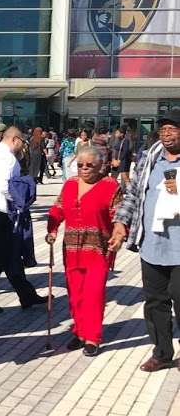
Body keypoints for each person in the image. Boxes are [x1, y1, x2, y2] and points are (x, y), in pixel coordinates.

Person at [109, 110, 180, 370]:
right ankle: (162, 353)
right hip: (152, 245)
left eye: (173, 129)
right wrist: (120, 224)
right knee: (155, 302)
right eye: (163, 129)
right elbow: (133, 195)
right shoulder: (150, 158)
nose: (166, 134)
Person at [46, 146, 124, 356]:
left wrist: (119, 235)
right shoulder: (70, 184)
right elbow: (58, 209)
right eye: (80, 165)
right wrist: (52, 229)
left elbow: (119, 214)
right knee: (76, 295)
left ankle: (93, 337)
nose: (85, 169)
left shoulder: (110, 185)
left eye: (90, 165)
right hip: (72, 250)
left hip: (98, 249)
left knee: (93, 295)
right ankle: (79, 332)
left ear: (101, 166)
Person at [0, 125, 47, 314]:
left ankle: (27, 295)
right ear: (14, 139)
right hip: (0, 212)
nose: (23, 145)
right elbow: (6, 187)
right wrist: (19, 201)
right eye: (23, 141)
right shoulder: (8, 159)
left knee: (9, 257)